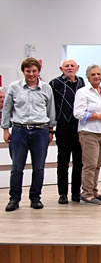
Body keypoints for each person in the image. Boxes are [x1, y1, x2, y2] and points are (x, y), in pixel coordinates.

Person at [2, 57, 55, 212]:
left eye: (34, 71)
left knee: (39, 168)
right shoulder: (13, 87)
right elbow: (7, 109)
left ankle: (35, 198)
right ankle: (14, 199)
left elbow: (51, 110)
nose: (31, 74)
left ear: (39, 71)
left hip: (40, 131)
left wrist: (50, 130)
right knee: (17, 168)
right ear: (23, 71)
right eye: (28, 71)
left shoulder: (46, 88)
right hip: (19, 131)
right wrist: (5, 129)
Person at [73, 64, 101, 205]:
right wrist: (98, 116)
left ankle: (93, 190)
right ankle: (86, 193)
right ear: (88, 76)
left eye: (98, 74)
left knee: (98, 164)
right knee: (90, 164)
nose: (96, 77)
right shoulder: (82, 92)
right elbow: (78, 113)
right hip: (89, 132)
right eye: (93, 74)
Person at [49, 59, 85, 204]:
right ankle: (62, 193)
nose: (70, 68)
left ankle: (76, 192)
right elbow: (50, 105)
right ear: (61, 68)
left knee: (79, 162)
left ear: (77, 68)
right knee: (63, 162)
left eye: (72, 66)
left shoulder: (81, 82)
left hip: (79, 127)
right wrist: (51, 126)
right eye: (67, 66)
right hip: (63, 127)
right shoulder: (54, 83)